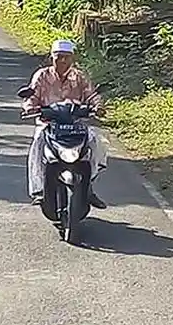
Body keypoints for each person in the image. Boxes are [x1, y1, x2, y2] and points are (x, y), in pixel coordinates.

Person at [22, 39, 108, 209]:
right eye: (59, 57)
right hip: (49, 124)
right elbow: (31, 96)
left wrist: (98, 107)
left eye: (66, 57)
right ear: (51, 57)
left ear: (72, 58)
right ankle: (39, 190)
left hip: (76, 124)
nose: (62, 61)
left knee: (95, 141)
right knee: (38, 144)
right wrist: (30, 108)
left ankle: (88, 186)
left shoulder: (80, 76)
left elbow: (91, 96)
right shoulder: (42, 76)